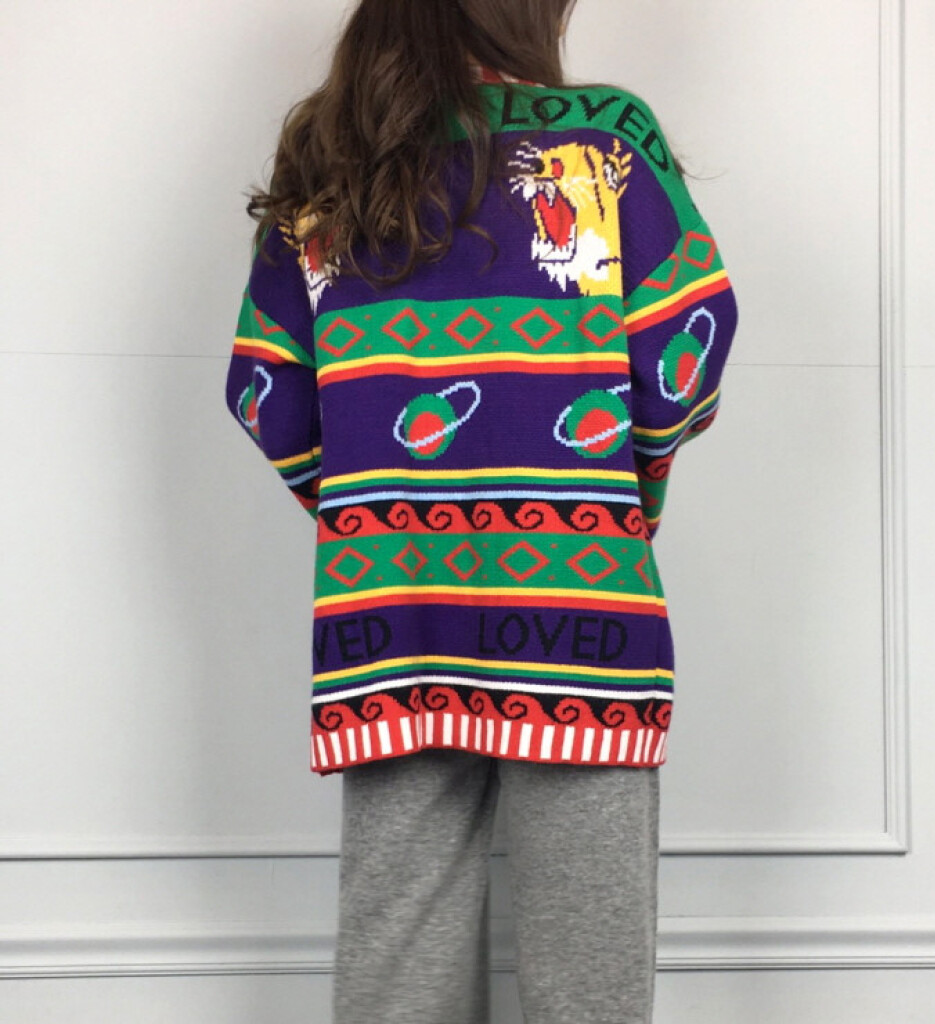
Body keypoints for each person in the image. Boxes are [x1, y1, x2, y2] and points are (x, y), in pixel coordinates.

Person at [225, 1, 738, 1020]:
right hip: (582, 612)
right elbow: (690, 342)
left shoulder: (334, 149)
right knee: (586, 974)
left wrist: (372, 505)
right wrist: (623, 493)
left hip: (392, 617)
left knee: (397, 955)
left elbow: (264, 389)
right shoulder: (599, 139)